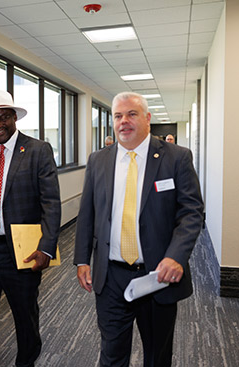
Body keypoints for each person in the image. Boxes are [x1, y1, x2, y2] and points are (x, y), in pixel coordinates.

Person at [74, 92, 204, 367]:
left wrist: (176, 256)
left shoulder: (176, 158)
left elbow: (191, 212)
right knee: (111, 354)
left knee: (157, 355)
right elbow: (88, 214)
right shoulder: (98, 160)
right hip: (110, 275)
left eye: (131, 114)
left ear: (147, 118)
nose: (124, 122)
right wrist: (82, 259)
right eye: (118, 116)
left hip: (156, 276)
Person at [0, 90, 61, 367]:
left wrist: (46, 248)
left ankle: (25, 363)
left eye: (3, 118)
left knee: (24, 317)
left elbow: (50, 203)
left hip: (21, 251)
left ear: (14, 118)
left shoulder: (38, 150)